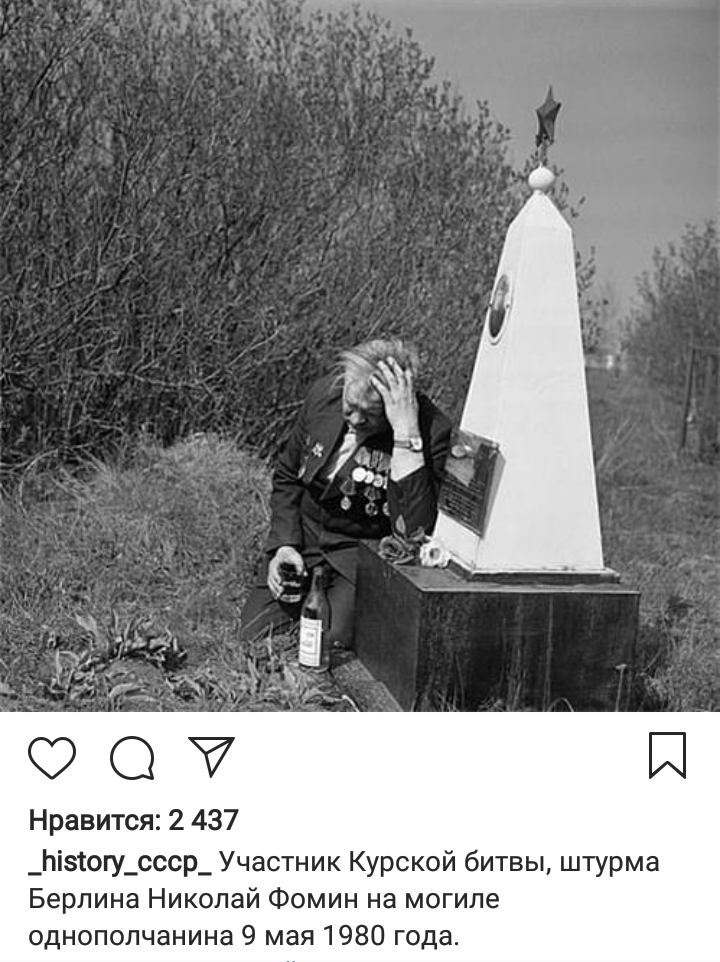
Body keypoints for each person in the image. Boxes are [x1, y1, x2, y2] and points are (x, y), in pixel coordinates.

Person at [239, 338, 452, 649]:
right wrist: (283, 546)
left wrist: (406, 436)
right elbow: (288, 476)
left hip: (359, 555)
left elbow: (415, 532)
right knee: (256, 636)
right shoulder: (323, 397)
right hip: (306, 538)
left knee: (329, 644)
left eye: (369, 415)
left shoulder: (429, 431)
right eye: (350, 407)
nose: (354, 420)